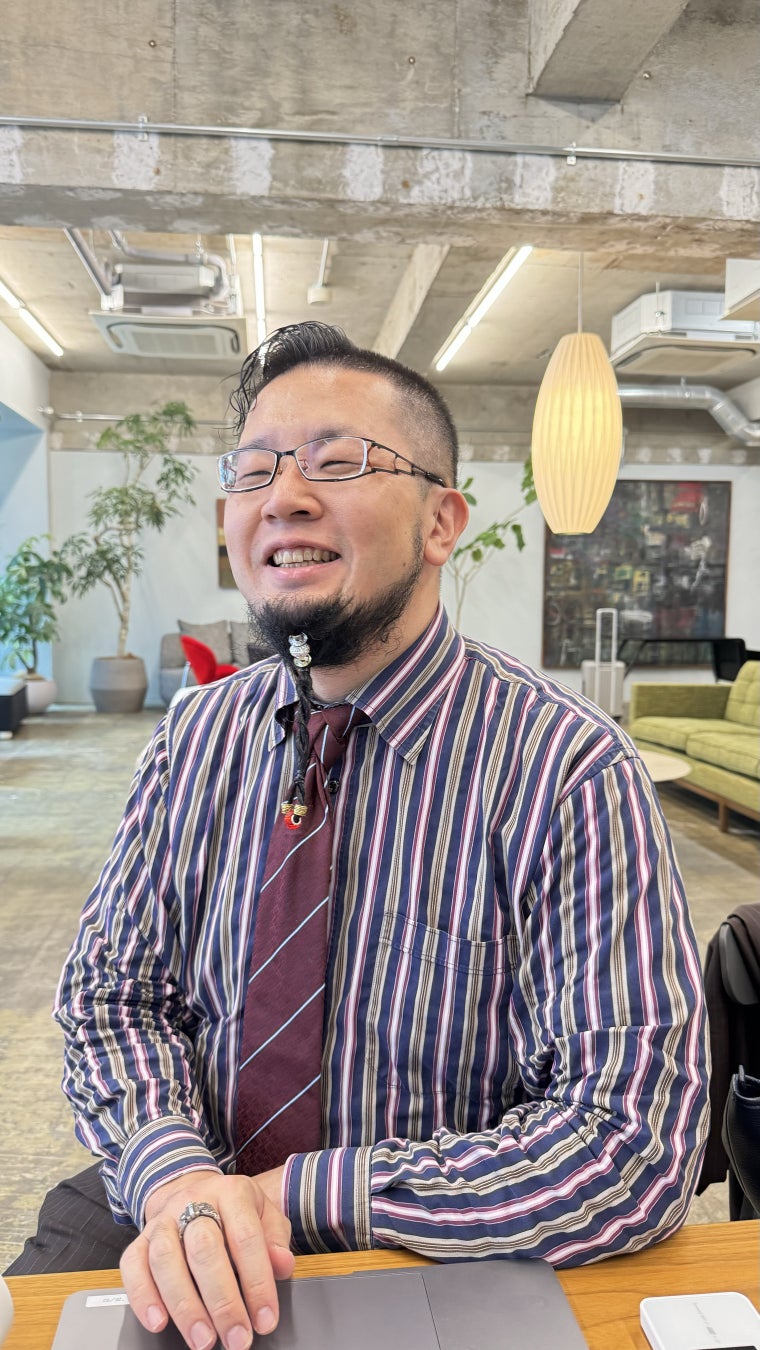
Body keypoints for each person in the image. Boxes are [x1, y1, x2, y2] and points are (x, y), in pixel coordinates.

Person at [9, 323, 708, 1350]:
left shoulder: (565, 770)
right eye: (253, 470)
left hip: (435, 1241)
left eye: (337, 462)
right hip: (181, 1203)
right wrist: (177, 1175)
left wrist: (294, 1196)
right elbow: (112, 997)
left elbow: (630, 1143)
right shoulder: (194, 738)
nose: (283, 497)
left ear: (441, 522)